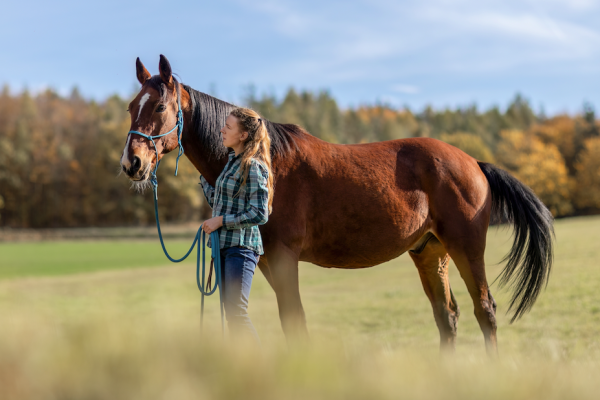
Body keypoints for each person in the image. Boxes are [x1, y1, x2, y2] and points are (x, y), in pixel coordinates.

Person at [199, 107, 274, 344]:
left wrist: (220, 221)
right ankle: (242, 365)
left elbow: (259, 214)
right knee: (231, 315)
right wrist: (202, 175)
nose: (222, 129)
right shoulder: (232, 163)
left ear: (243, 135)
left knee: (236, 313)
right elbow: (220, 202)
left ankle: (258, 367)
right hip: (224, 247)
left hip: (241, 249)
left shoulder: (253, 166)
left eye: (228, 127)